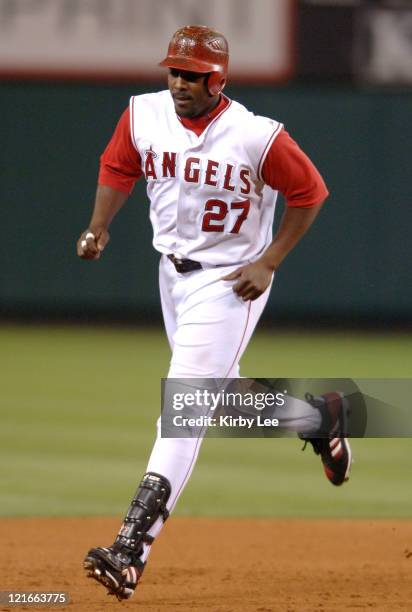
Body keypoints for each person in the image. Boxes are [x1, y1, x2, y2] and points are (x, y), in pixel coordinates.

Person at [78, 25, 352, 601]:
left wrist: (271, 261)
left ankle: (131, 550)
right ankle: (316, 420)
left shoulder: (255, 136)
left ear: (217, 78)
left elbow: (312, 193)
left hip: (231, 283)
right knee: (217, 392)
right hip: (171, 275)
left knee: (183, 406)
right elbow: (117, 165)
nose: (179, 82)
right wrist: (99, 225)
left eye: (191, 74)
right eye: (174, 71)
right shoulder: (143, 115)